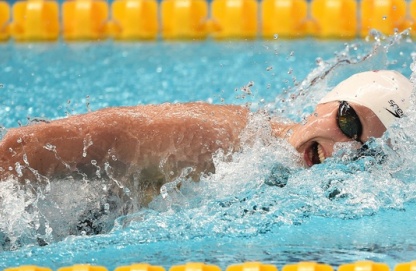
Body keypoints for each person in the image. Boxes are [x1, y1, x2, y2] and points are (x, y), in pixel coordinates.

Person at [0, 70, 412, 191]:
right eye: (347, 121)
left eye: (364, 149)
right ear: (324, 103)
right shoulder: (205, 137)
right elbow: (20, 147)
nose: (341, 151)